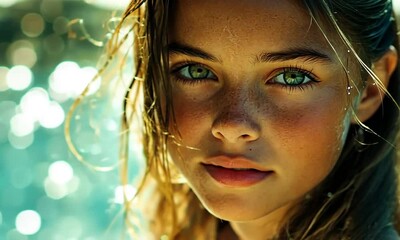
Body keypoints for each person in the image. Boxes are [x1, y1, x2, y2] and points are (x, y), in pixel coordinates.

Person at [67, 0, 400, 239]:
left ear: (369, 89)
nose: (232, 124)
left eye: (291, 77)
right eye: (195, 71)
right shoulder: (188, 227)